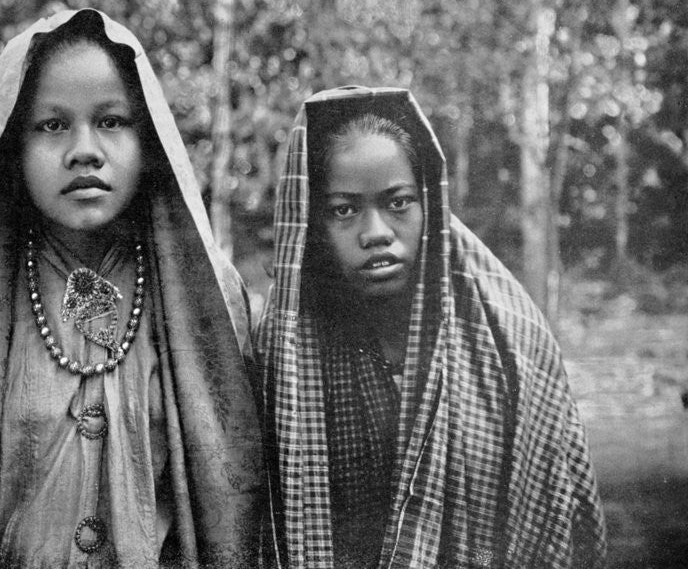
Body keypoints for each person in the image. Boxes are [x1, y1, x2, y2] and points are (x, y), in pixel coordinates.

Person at [0, 9, 266, 567]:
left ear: (148, 140)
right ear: (12, 147)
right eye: (52, 125)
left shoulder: (208, 302)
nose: (84, 150)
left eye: (111, 121)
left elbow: (237, 504)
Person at [257, 86, 606, 568]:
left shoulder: (507, 335)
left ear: (429, 204)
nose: (376, 232)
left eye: (397, 203)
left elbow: (553, 514)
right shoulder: (286, 349)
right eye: (344, 209)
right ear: (311, 224)